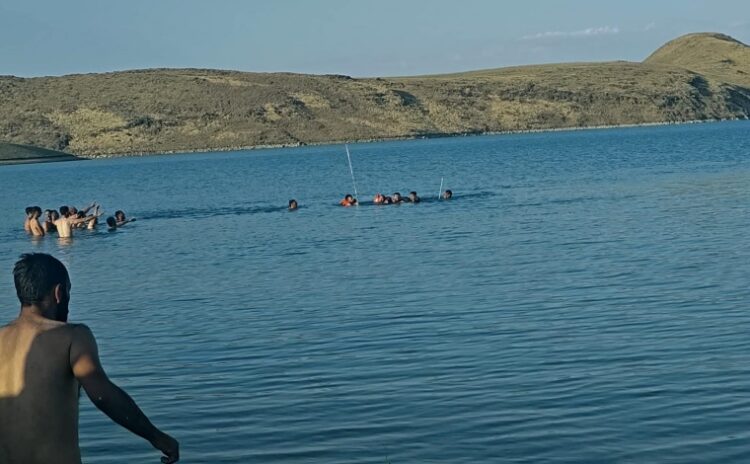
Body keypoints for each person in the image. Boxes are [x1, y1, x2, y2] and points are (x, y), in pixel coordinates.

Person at [0, 253, 179, 464]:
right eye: (68, 291)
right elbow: (104, 396)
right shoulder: (72, 336)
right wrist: (156, 437)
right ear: (59, 293)